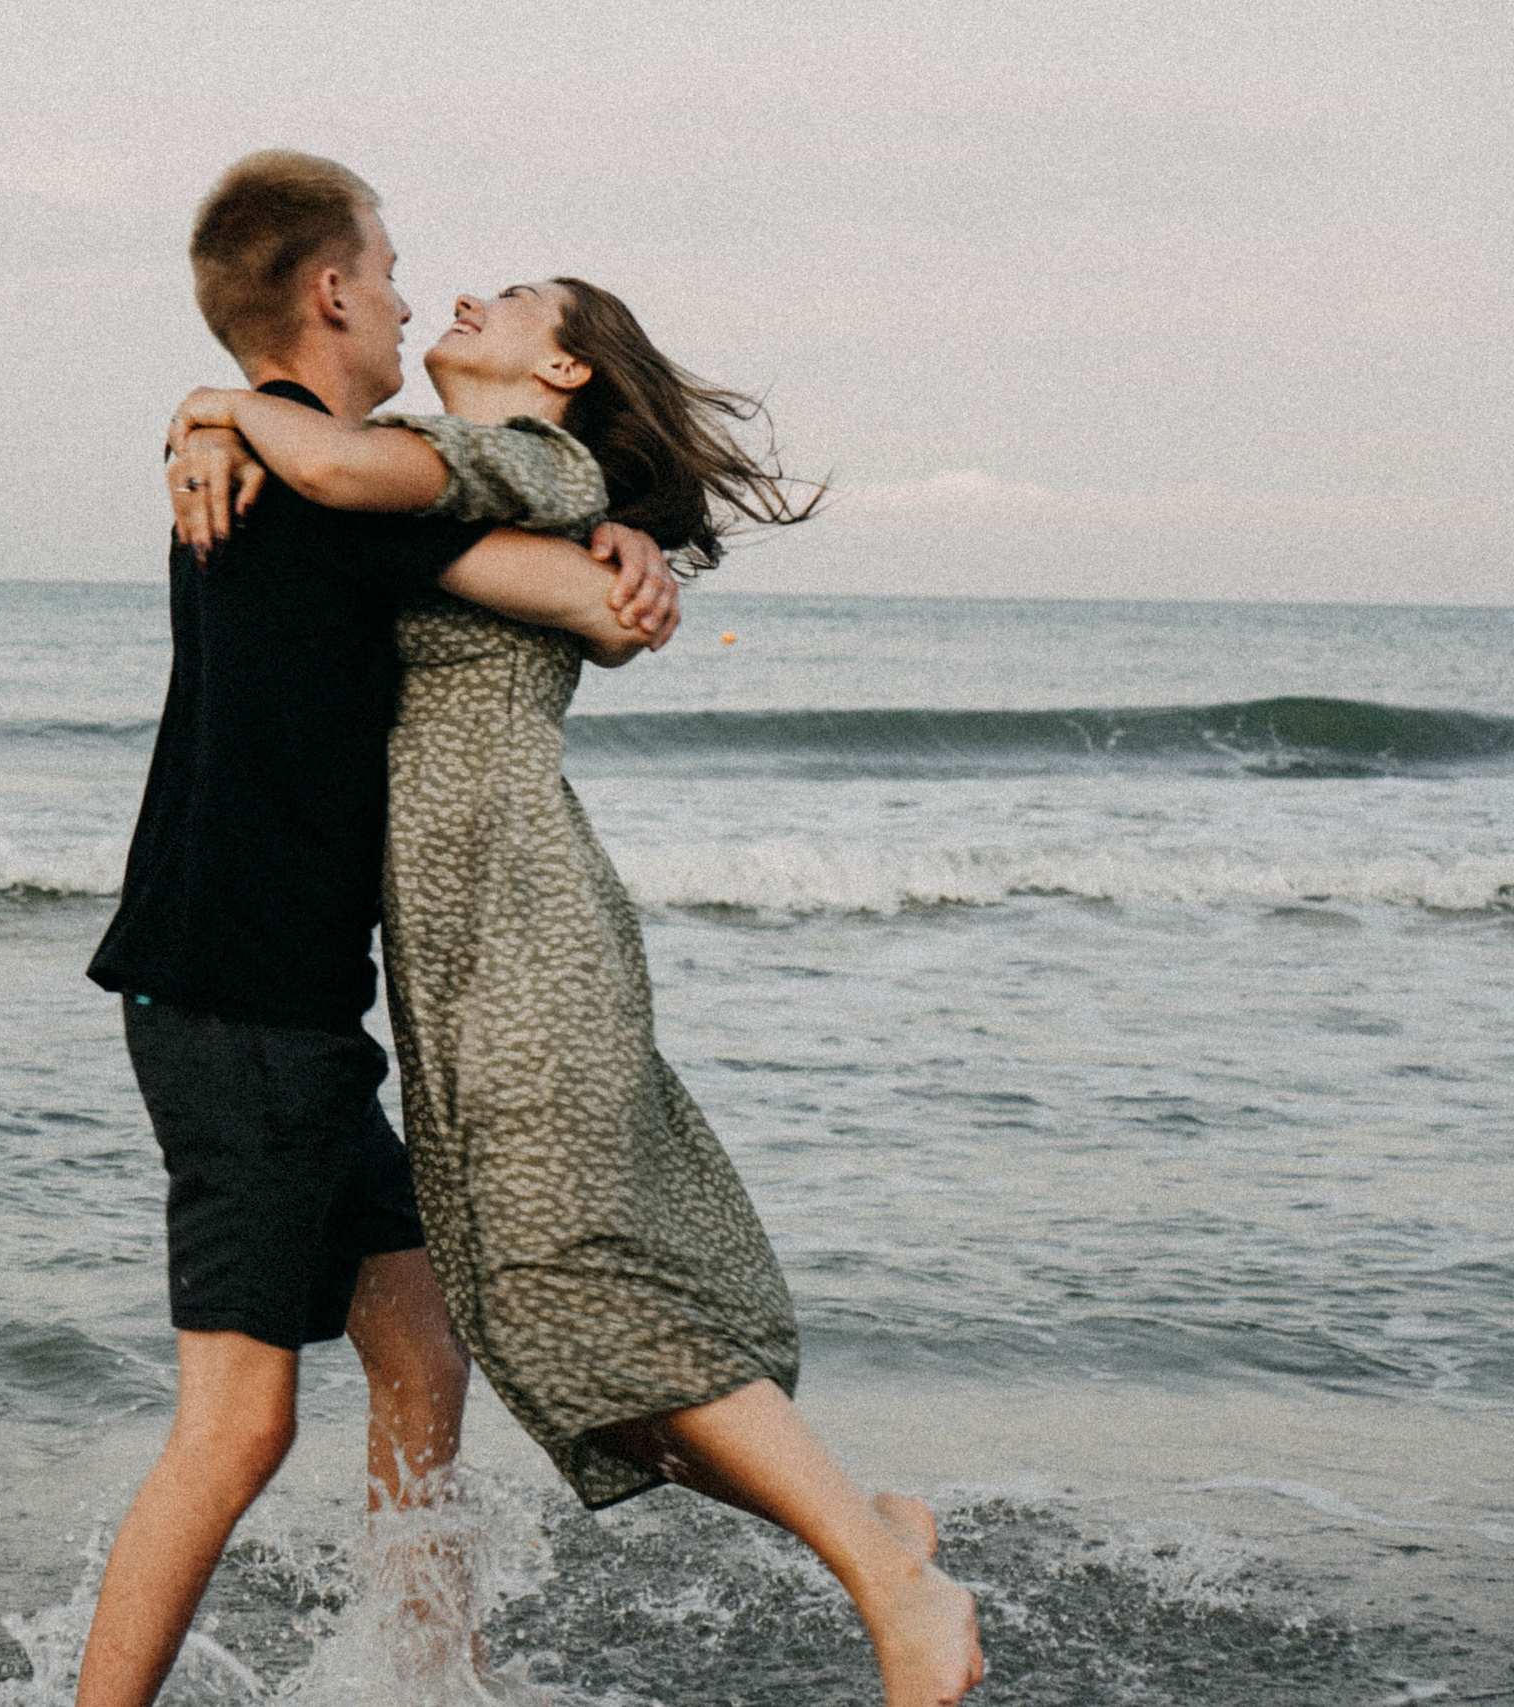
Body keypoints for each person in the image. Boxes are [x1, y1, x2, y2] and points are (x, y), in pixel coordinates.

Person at [163, 278, 988, 1707]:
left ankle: (892, 1588)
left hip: (526, 940)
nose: (465, 296)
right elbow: (353, 480)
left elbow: (377, 490)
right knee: (542, 1333)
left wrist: (218, 407)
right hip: (458, 957)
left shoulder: (538, 467)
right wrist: (212, 422)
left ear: (561, 366)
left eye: (514, 298)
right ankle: (867, 1534)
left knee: (575, 1284)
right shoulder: (467, 472)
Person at [77, 151, 685, 1707]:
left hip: (278, 1012)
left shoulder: (290, 461)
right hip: (239, 1013)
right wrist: (624, 553)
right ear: (334, 292)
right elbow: (579, 604)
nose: (418, 294)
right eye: (396, 267)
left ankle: (428, 1670)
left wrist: (203, 409)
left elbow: (501, 550)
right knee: (239, 1423)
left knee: (418, 1339)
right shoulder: (319, 481)